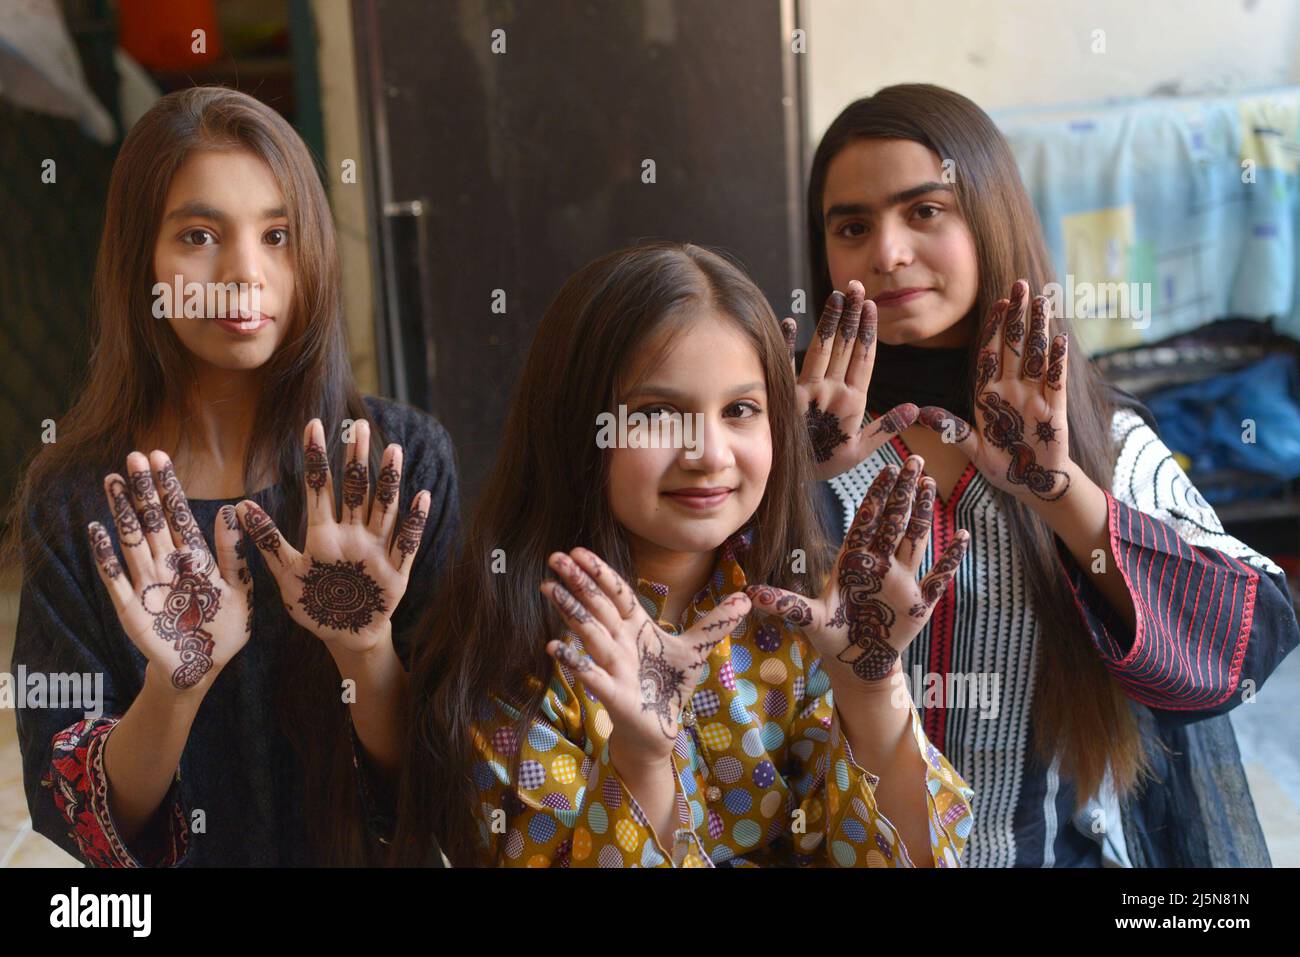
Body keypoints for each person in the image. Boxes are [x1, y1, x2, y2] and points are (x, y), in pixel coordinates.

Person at [801, 83, 1299, 866]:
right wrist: (792, 480)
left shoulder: (1090, 435)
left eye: (925, 211)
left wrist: (1059, 488)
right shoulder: (781, 432)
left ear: (991, 217)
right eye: (853, 225)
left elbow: (1247, 641)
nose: (888, 253)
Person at [394, 241, 974, 867]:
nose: (711, 455)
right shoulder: (515, 658)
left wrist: (871, 688)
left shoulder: (799, 616)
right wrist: (642, 759)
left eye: (741, 410)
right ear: (574, 428)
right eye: (659, 414)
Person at [5, 86, 460, 866]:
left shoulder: (397, 467)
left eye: (277, 234)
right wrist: (174, 685)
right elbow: (75, 815)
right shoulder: (80, 503)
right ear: (139, 259)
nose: (244, 272)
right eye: (200, 234)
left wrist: (366, 653)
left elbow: (453, 782)